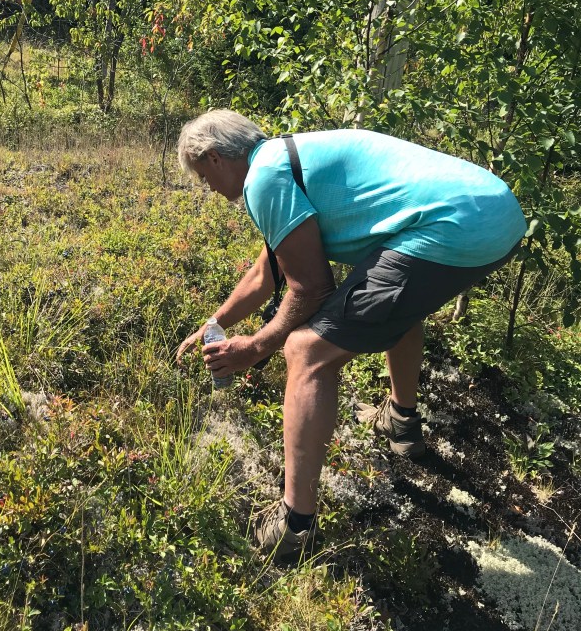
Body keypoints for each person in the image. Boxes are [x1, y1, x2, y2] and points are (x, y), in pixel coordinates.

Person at [176, 110, 527, 561]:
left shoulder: (263, 179)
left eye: (203, 175)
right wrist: (215, 322)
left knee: (306, 350)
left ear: (215, 157)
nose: (207, 186)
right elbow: (268, 272)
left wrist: (257, 346)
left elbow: (311, 289)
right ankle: (401, 421)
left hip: (453, 227)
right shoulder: (284, 160)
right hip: (498, 215)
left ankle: (294, 526)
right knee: (400, 305)